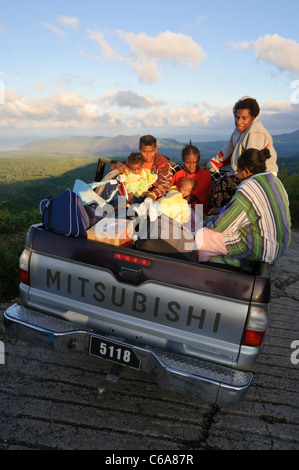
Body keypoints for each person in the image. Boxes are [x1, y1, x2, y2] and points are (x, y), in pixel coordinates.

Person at [195, 148, 291, 265]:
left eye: (238, 171)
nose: (238, 176)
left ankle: (212, 267)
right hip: (279, 247)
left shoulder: (248, 187)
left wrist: (203, 223)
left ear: (246, 170)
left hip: (260, 249)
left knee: (201, 236)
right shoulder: (275, 181)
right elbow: (248, 210)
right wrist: (221, 210)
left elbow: (223, 225)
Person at [206, 97, 278, 209]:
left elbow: (252, 164)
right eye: (237, 117)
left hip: (261, 175)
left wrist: (236, 176)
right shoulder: (238, 131)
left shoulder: (255, 132)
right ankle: (221, 214)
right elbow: (227, 151)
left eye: (244, 118)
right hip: (244, 171)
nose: (239, 121)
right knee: (219, 180)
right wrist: (212, 163)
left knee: (223, 183)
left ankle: (221, 216)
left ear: (253, 118)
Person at [110, 135, 173, 201]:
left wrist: (152, 194)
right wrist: (119, 164)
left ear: (156, 148)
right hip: (133, 193)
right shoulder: (137, 160)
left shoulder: (163, 164)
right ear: (140, 149)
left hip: (154, 197)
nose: (148, 155)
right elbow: (113, 169)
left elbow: (165, 186)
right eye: (144, 152)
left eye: (151, 151)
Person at [172, 141, 212, 215]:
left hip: (199, 213)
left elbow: (192, 197)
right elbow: (172, 191)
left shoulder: (206, 175)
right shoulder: (178, 175)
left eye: (195, 162)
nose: (192, 166)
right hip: (179, 211)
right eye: (188, 163)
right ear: (183, 161)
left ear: (199, 160)